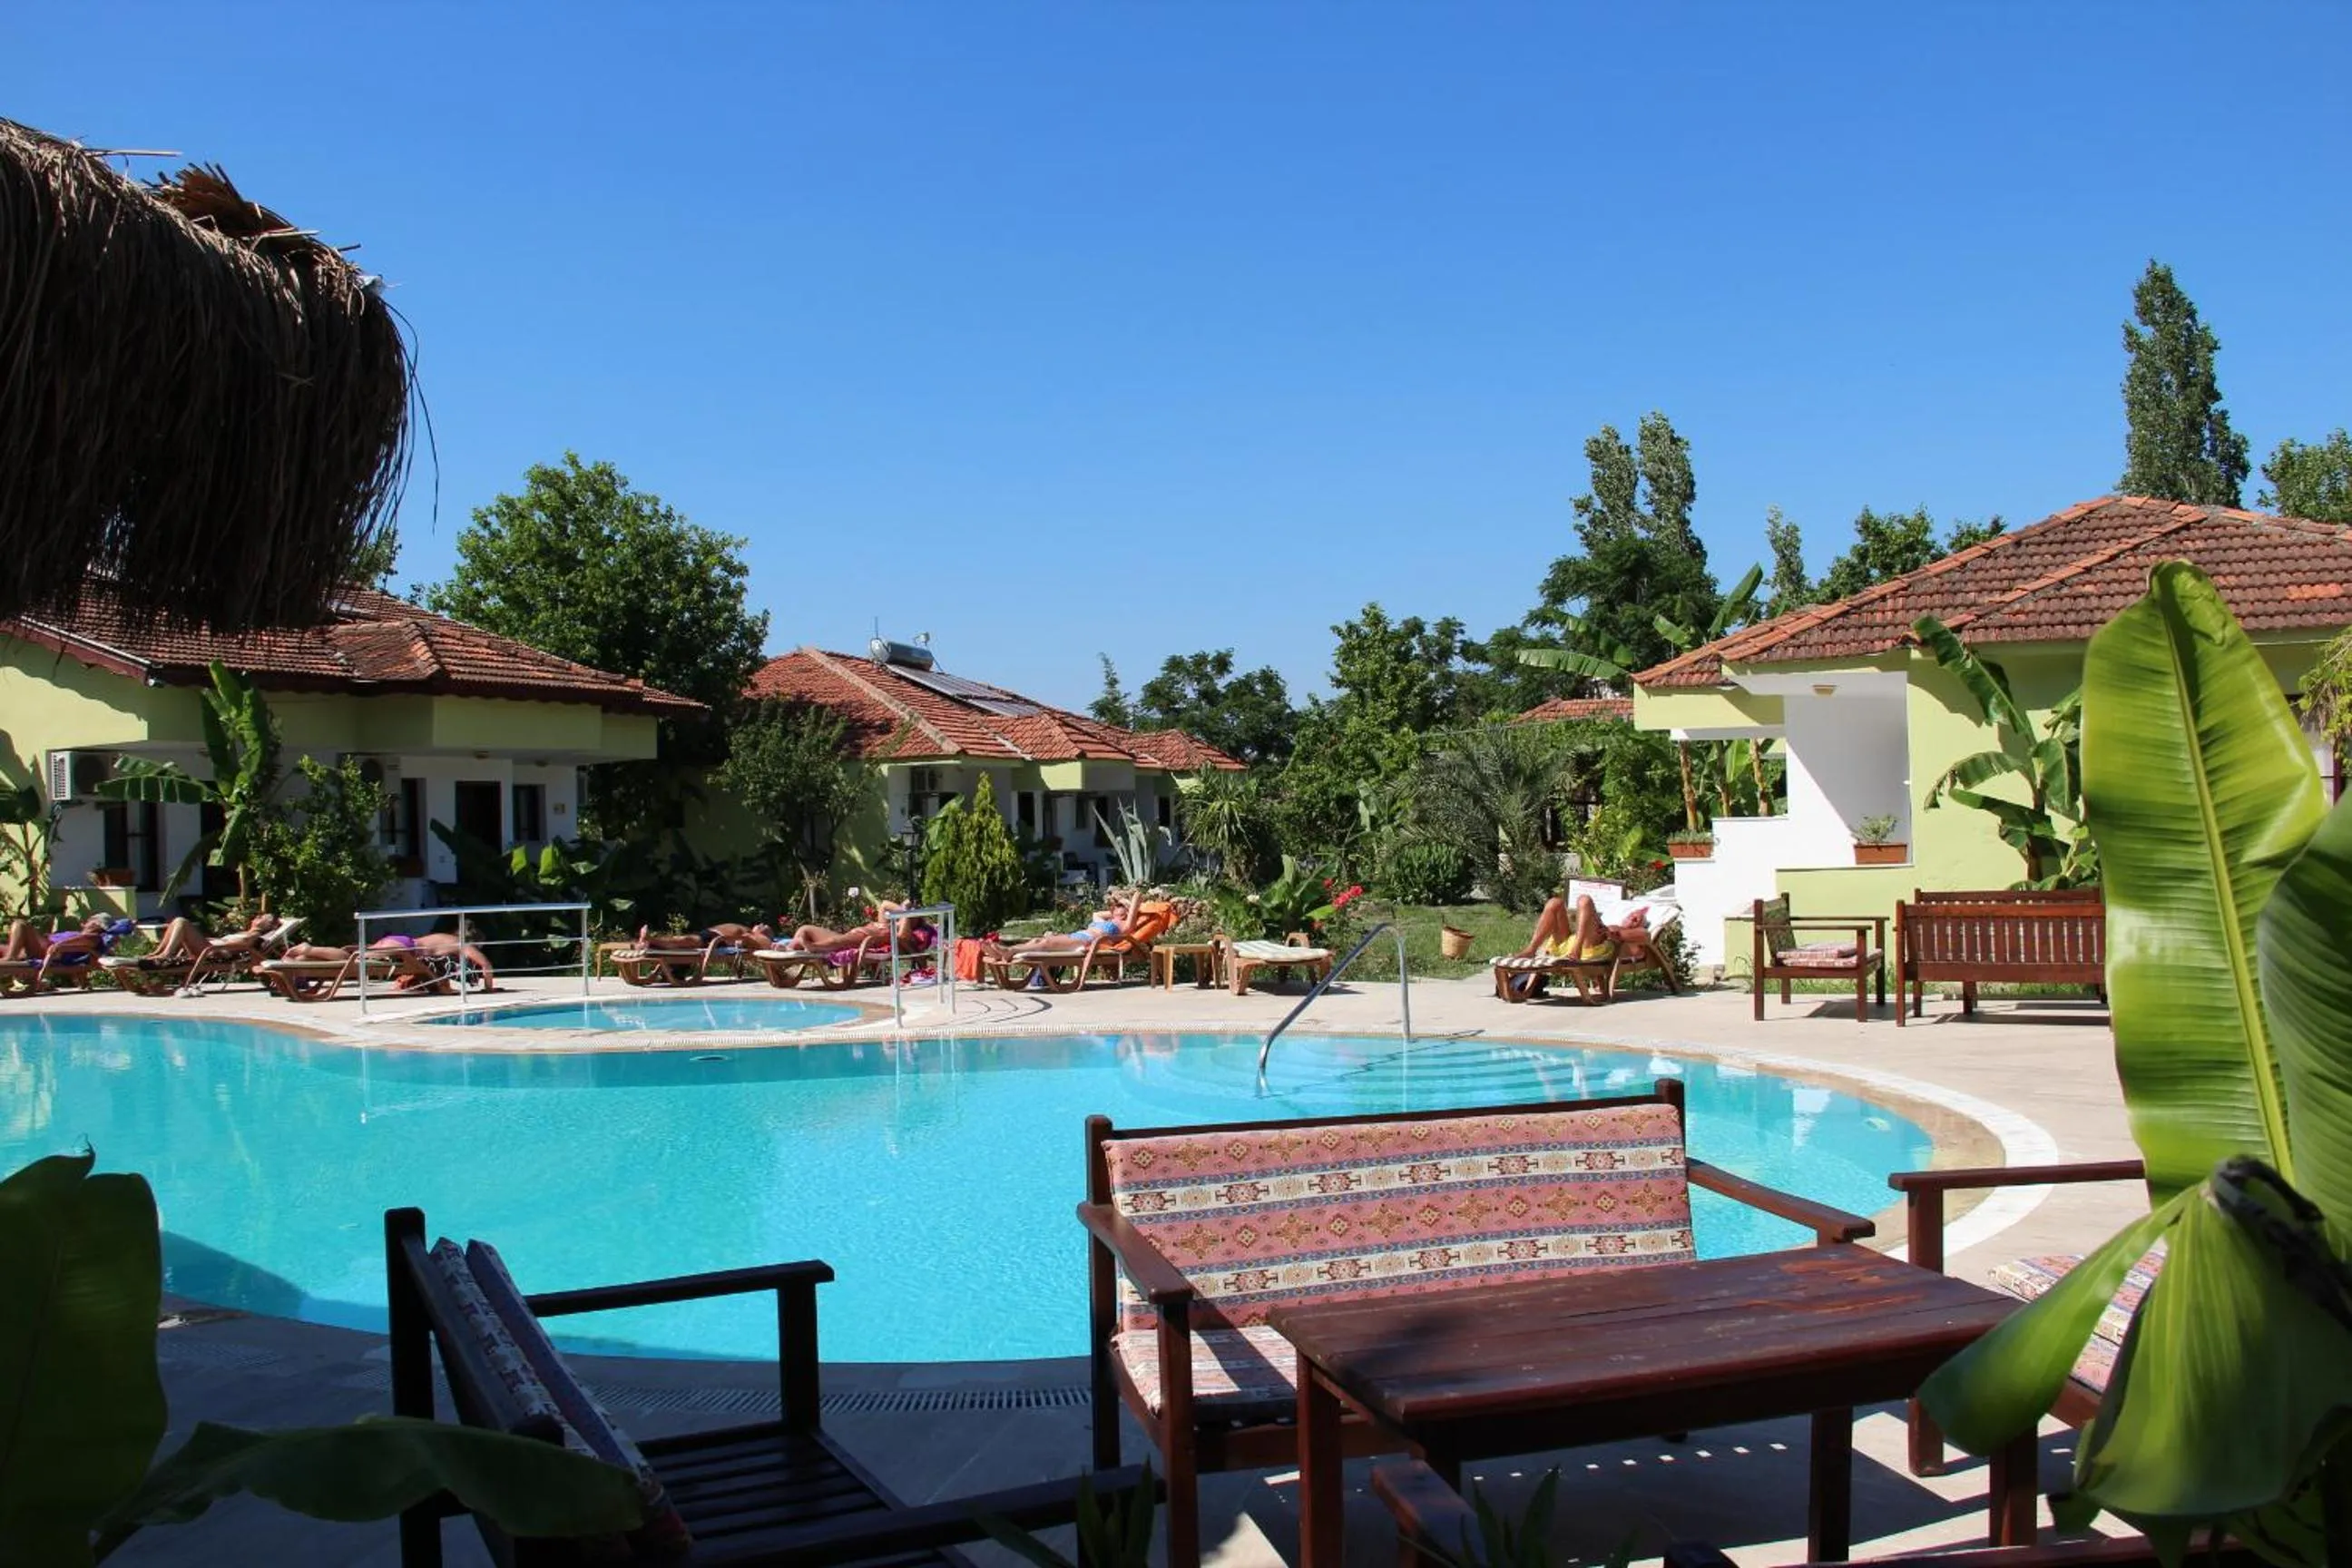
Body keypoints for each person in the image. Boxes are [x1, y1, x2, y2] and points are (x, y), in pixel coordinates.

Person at [1501, 893, 1635, 1002]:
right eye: (1633, 915)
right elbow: (1543, 958)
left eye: (1638, 918)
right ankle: (1531, 949)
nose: (1634, 917)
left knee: (1584, 900)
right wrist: (1527, 992)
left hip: (1590, 948)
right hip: (1569, 945)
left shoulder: (1628, 931)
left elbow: (1642, 938)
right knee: (1555, 902)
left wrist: (1613, 934)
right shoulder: (1602, 922)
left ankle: (1576, 949)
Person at [3, 914, 111, 964]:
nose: (87, 921)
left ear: (96, 925)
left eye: (92, 920)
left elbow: (87, 942)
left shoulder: (94, 937)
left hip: (49, 949)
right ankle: (10, 957)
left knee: (20, 924)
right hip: (45, 945)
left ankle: (11, 958)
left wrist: (59, 946)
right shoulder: (78, 933)